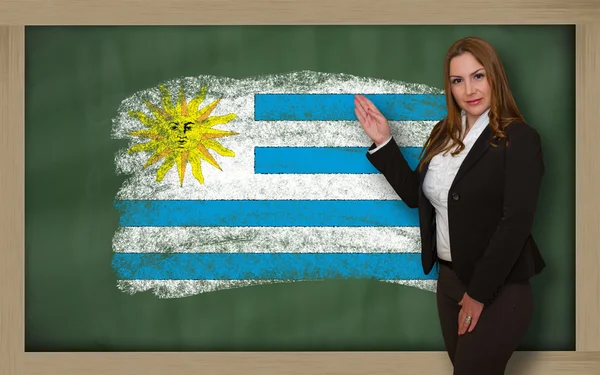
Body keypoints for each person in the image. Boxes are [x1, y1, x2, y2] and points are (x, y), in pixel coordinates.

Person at [355, 36, 546, 375]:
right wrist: (384, 141)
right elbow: (418, 196)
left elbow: (515, 223)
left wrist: (478, 294)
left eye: (478, 76)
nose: (469, 89)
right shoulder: (443, 133)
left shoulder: (519, 138)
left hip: (496, 289)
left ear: (494, 78)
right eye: (458, 80)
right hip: (449, 283)